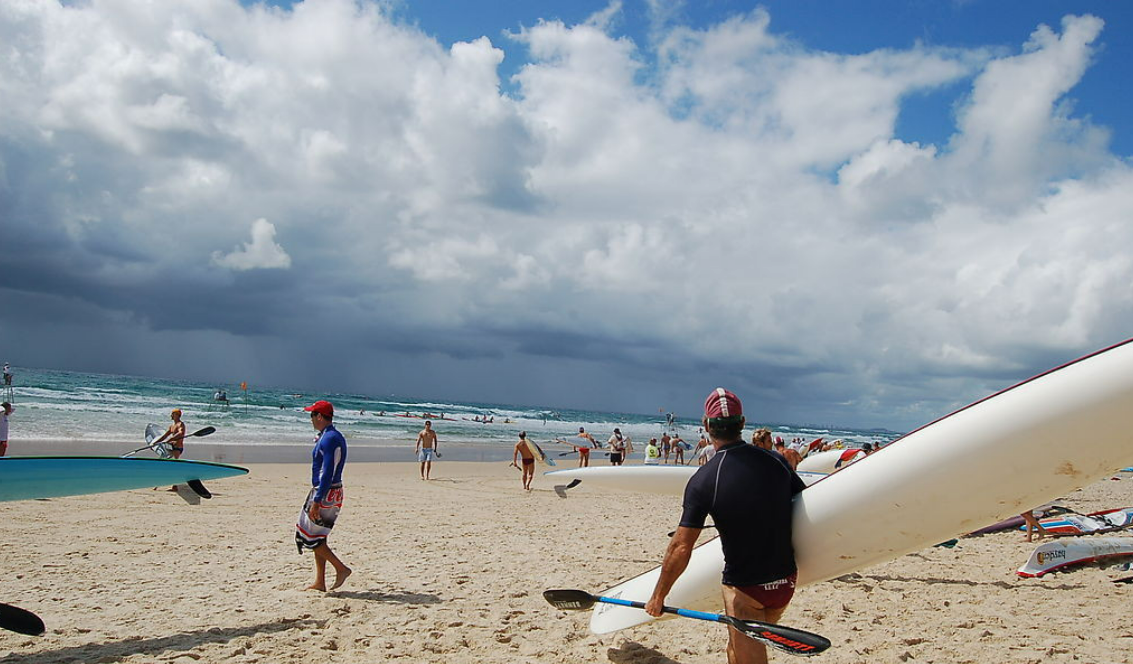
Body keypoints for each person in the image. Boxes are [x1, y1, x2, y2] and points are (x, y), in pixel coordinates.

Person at [646, 388, 806, 664]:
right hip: (785, 584)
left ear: (706, 426)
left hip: (746, 591)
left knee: (747, 656)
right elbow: (804, 505)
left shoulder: (704, 479)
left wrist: (658, 596)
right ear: (742, 423)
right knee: (736, 647)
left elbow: (681, 546)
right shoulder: (777, 461)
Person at [295, 400, 351, 591]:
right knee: (319, 536)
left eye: (312, 415)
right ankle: (320, 582)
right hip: (331, 490)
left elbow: (328, 471)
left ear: (319, 416)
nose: (310, 419)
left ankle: (341, 568)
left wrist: (317, 500)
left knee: (308, 536)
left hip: (326, 491)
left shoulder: (329, 439)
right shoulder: (331, 436)